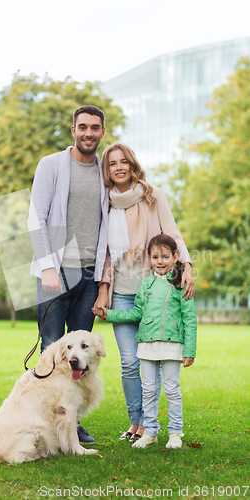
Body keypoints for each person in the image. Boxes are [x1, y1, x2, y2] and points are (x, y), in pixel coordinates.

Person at [92, 142, 194, 443]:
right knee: (128, 361)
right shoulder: (106, 203)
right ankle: (136, 422)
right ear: (107, 170)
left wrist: (186, 265)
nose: (119, 167)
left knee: (153, 357)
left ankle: (151, 425)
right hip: (122, 292)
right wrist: (104, 287)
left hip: (152, 292)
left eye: (124, 161)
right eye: (112, 163)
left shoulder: (152, 196)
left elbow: (172, 233)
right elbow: (105, 251)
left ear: (132, 164)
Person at [27, 105, 109, 443]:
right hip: (56, 271)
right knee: (51, 349)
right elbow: (37, 217)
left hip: (90, 273)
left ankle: (71, 422)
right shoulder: (51, 165)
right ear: (73, 130)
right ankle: (44, 419)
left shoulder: (106, 170)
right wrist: (47, 266)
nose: (88, 132)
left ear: (102, 132)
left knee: (79, 354)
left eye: (95, 127)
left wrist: (104, 279)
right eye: (83, 127)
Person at [98, 234, 197, 449]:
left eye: (165, 256)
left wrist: (189, 350)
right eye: (154, 257)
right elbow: (136, 313)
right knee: (149, 390)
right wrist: (110, 315)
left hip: (172, 345)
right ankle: (150, 432)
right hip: (146, 346)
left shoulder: (181, 284)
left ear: (174, 256)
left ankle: (175, 433)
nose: (160, 261)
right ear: (149, 259)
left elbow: (189, 319)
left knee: (172, 390)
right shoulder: (145, 285)